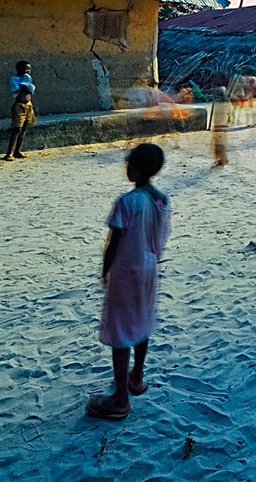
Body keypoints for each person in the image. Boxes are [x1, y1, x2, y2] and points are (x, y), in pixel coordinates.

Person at [88, 143, 171, 421]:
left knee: (121, 329)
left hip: (126, 271)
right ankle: (137, 377)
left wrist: (105, 270)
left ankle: (120, 399)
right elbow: (161, 238)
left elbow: (114, 243)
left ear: (134, 169)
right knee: (142, 321)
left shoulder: (127, 202)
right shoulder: (161, 200)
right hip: (149, 267)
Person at [4, 83, 35, 160]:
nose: (27, 71)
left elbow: (31, 91)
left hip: (28, 105)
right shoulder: (15, 79)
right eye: (24, 70)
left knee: (24, 128)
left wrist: (26, 86)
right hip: (19, 106)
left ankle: (17, 151)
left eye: (28, 70)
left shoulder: (27, 80)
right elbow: (15, 91)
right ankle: (8, 153)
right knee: (17, 129)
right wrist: (24, 86)